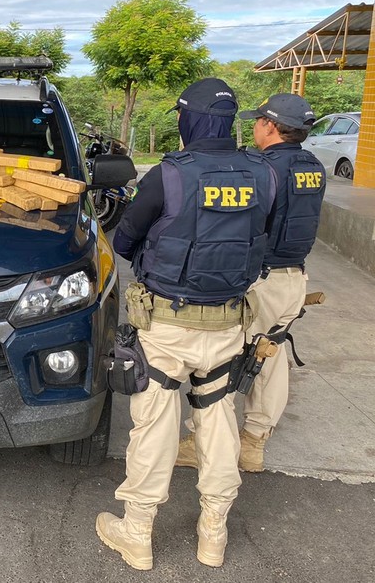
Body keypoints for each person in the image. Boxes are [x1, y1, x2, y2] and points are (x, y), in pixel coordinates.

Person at [96, 78, 276, 571]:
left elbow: (126, 239)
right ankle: (212, 536)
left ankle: (137, 534)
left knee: (154, 423)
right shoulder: (264, 174)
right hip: (227, 325)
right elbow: (266, 236)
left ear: (186, 120)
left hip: (167, 325)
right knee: (217, 422)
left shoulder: (169, 174)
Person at [176, 93, 324, 472]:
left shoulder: (264, 168)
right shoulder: (314, 166)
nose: (255, 127)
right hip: (292, 278)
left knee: (221, 360)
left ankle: (202, 443)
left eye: (259, 121)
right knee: (270, 357)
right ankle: (253, 445)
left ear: (271, 126)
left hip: (258, 280)